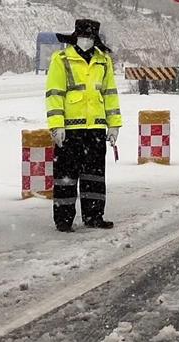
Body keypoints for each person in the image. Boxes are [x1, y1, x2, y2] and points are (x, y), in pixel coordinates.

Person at [46, 19, 122, 232]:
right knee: (65, 178)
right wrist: (56, 125)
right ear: (75, 37)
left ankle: (94, 216)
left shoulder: (103, 60)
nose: (86, 41)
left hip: (95, 129)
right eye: (83, 36)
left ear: (95, 38)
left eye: (90, 37)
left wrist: (114, 125)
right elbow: (54, 94)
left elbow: (110, 94)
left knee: (94, 176)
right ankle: (63, 220)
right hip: (69, 130)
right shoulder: (61, 59)